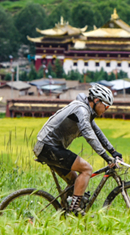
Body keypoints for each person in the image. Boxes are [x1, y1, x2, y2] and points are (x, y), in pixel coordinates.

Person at [33, 84, 122, 214]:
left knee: (75, 183)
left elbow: (97, 132)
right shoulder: (81, 110)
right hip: (48, 147)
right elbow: (88, 134)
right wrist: (106, 157)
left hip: (51, 148)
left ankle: (65, 214)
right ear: (97, 100)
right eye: (106, 106)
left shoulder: (87, 111)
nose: (106, 109)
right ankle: (75, 208)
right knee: (86, 169)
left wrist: (113, 151)